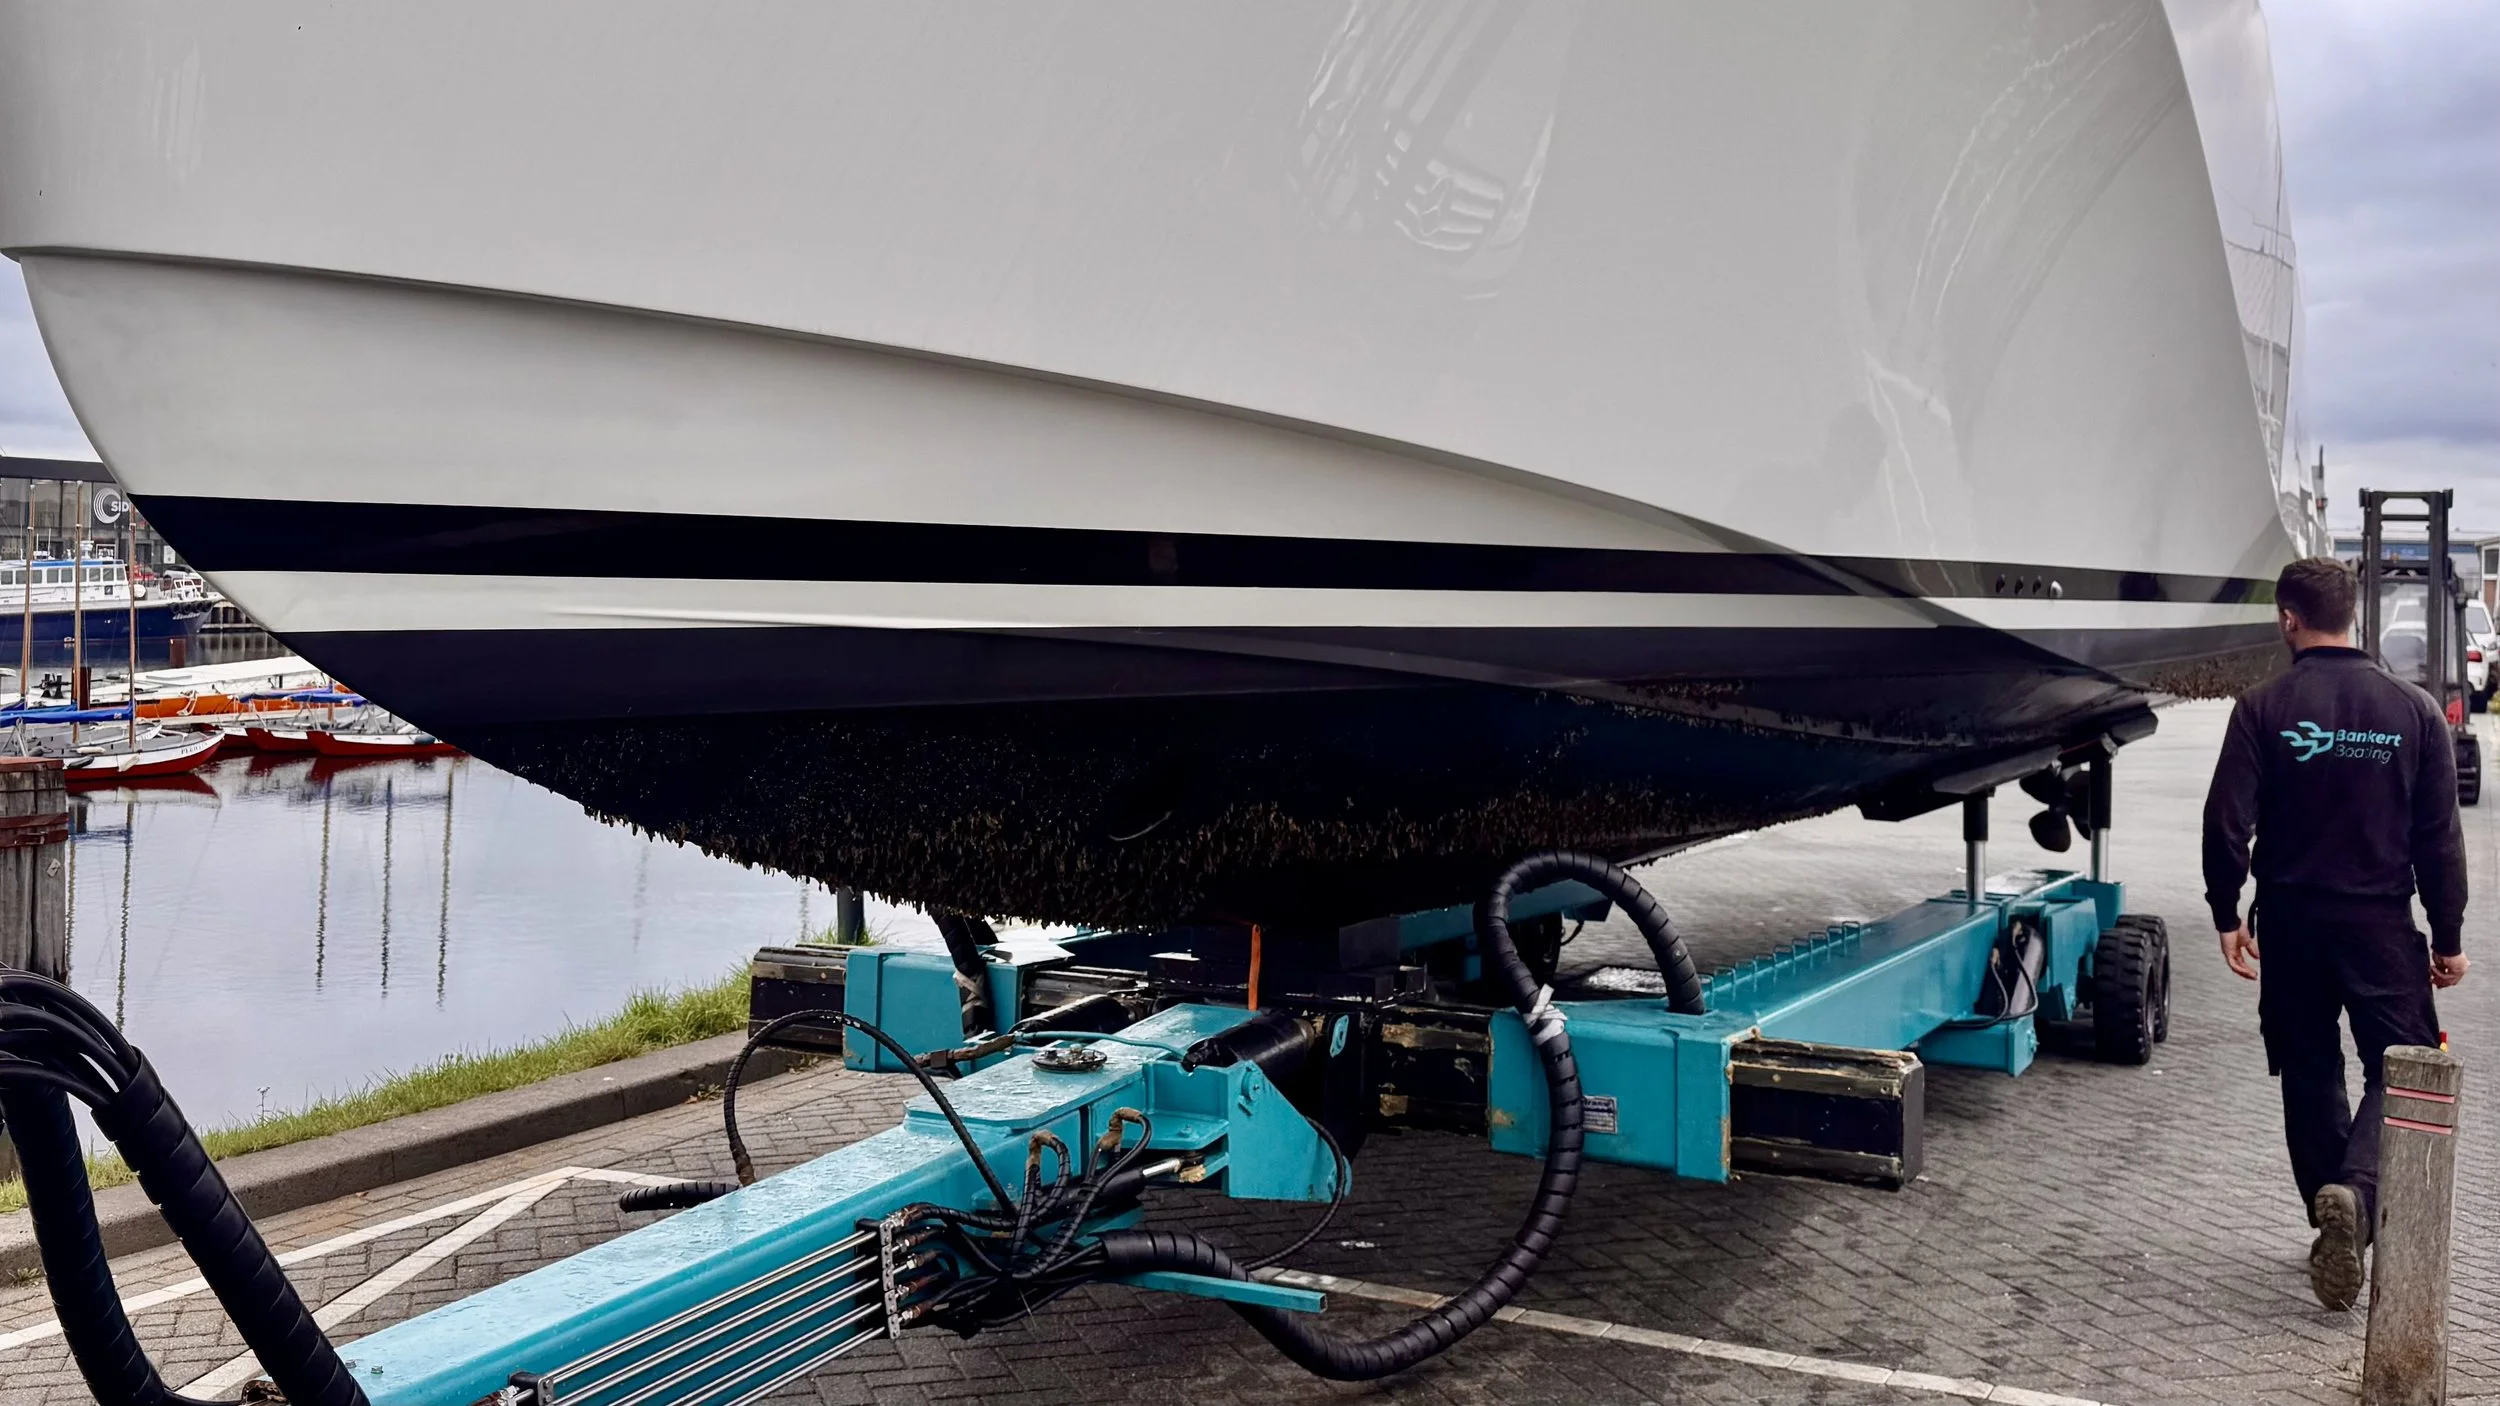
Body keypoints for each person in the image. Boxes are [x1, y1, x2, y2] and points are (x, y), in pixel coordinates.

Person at [2202, 556, 2470, 1312]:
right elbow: (2438, 839)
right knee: (2404, 1063)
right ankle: (2354, 1198)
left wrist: (2226, 912)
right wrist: (2446, 935)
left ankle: (2331, 1208)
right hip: (2380, 925)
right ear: (2355, 616)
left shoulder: (2261, 706)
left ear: (2289, 618)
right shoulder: (2412, 710)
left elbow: (2226, 824)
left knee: (2310, 1069)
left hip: (2290, 922)